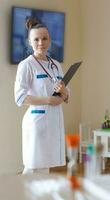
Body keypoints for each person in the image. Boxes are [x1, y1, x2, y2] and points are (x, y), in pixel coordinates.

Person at [14, 17, 69, 174]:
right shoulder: (26, 65)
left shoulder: (56, 65)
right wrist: (48, 100)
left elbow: (66, 94)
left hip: (54, 122)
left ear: (50, 40)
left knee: (44, 169)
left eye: (44, 38)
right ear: (30, 42)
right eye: (36, 39)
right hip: (37, 124)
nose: (41, 43)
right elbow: (20, 98)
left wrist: (64, 91)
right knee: (33, 168)